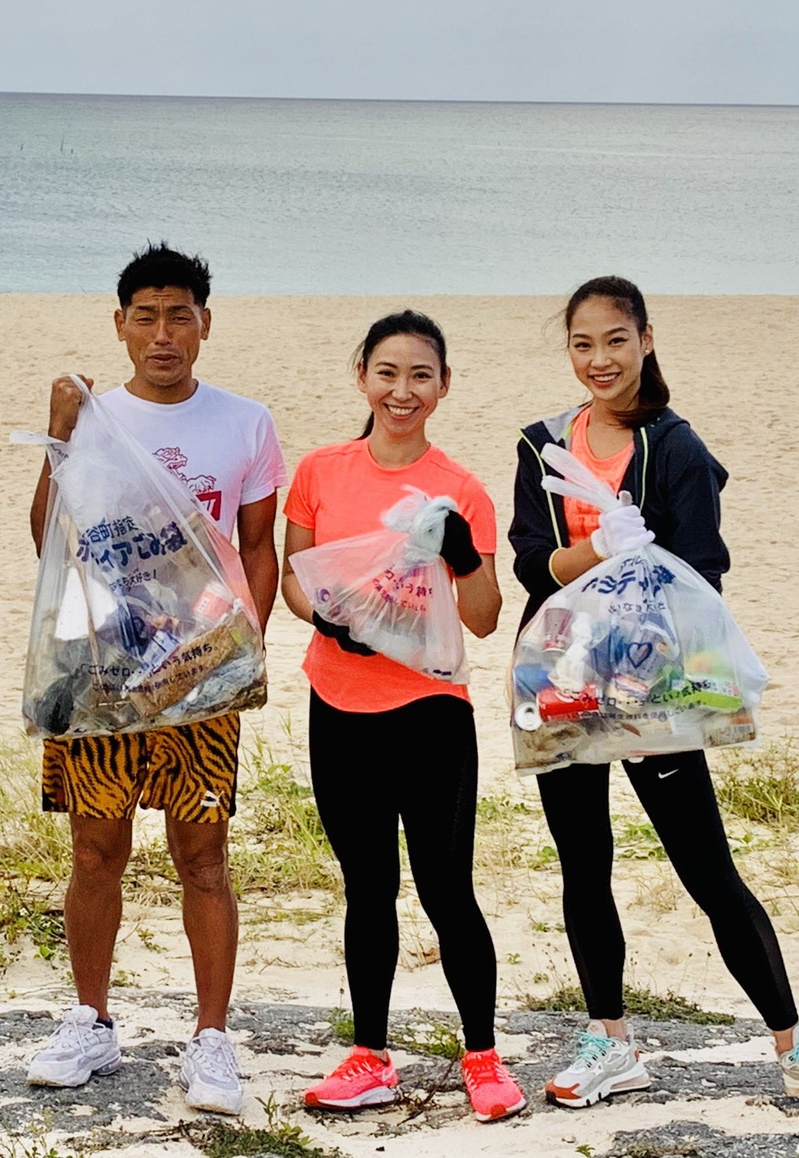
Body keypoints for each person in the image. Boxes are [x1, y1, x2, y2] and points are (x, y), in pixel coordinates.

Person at [510, 276, 799, 1109]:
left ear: (647, 339)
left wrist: (641, 573)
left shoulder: (676, 448)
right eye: (583, 343)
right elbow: (528, 564)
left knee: (705, 866)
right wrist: (602, 548)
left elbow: (704, 578)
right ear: (569, 349)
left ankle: (791, 1040)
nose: (599, 359)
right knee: (582, 864)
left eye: (616, 341)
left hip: (653, 691)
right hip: (559, 681)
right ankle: (611, 1040)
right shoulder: (543, 445)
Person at [24, 244, 287, 1115]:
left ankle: (212, 1040)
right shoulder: (93, 418)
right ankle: (92, 1020)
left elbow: (256, 548)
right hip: (101, 673)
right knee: (96, 853)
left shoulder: (245, 422)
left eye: (181, 316)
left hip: (201, 674)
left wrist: (238, 658)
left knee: (203, 857)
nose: (163, 334)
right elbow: (48, 539)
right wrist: (59, 434)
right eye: (147, 316)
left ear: (205, 325)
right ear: (120, 325)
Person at [280, 311, 527, 1122]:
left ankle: (483, 1059)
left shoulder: (461, 489)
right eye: (387, 373)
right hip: (338, 704)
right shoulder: (320, 469)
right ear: (362, 376)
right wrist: (323, 619)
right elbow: (295, 577)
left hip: (430, 714)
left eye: (421, 376)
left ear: (444, 386)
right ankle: (370, 1055)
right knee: (367, 888)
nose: (403, 391)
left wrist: (459, 554)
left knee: (447, 890)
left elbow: (485, 617)